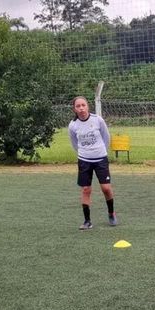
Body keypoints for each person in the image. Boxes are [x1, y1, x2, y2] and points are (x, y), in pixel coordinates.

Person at [68, 96, 118, 230]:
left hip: (101, 159)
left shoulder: (97, 120)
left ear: (87, 106)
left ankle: (111, 213)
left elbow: (106, 137)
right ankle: (87, 221)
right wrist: (84, 153)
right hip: (84, 160)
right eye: (78, 106)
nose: (81, 108)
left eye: (83, 105)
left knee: (106, 188)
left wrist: (101, 152)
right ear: (74, 109)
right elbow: (74, 143)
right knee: (86, 189)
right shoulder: (73, 125)